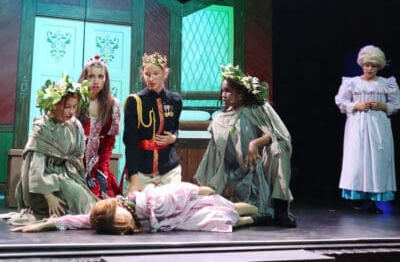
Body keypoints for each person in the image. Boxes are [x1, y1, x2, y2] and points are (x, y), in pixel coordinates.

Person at [193, 64, 296, 228]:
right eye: (222, 91)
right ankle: (257, 213)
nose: (223, 95)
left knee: (278, 148)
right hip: (240, 168)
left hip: (263, 162)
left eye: (228, 91)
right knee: (251, 211)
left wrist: (255, 144)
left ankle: (281, 207)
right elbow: (215, 154)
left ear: (240, 93)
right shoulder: (221, 119)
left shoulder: (257, 109)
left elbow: (278, 134)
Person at [11, 182, 259, 234]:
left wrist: (198, 191)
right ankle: (250, 221)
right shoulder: (103, 218)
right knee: (218, 221)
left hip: (184, 204)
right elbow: (77, 220)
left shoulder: (150, 200)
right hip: (178, 221)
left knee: (228, 207)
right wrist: (45, 223)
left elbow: (176, 191)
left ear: (118, 205)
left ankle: (260, 212)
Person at [13, 75, 99, 223]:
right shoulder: (43, 127)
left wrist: (74, 175)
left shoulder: (74, 125)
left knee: (82, 195)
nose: (71, 111)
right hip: (44, 184)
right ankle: (95, 218)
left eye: (74, 107)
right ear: (56, 105)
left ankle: (101, 217)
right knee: (77, 195)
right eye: (67, 107)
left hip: (67, 175)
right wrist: (48, 195)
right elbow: (35, 167)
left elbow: (77, 156)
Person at [335, 45, 400, 214]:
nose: (370, 68)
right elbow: (341, 102)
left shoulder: (387, 84)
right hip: (357, 125)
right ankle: (356, 198)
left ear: (379, 66)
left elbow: (396, 104)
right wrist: (356, 105)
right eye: (367, 64)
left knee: (377, 161)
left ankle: (373, 200)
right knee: (357, 159)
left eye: (374, 65)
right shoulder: (352, 83)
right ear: (362, 64)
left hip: (379, 126)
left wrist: (382, 105)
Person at [123, 52, 182, 197]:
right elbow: (130, 143)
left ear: (165, 73)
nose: (151, 78)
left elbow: (175, 129)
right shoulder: (135, 101)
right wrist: (134, 179)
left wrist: (173, 138)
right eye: (147, 73)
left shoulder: (175, 100)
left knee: (174, 205)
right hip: (142, 168)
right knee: (135, 207)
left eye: (156, 73)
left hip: (168, 168)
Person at [78, 55, 121, 199]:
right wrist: (82, 172)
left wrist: (101, 172)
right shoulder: (76, 100)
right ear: (85, 78)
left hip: (97, 166)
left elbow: (108, 145)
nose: (95, 81)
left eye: (100, 76)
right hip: (73, 164)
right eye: (91, 76)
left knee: (100, 194)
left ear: (105, 79)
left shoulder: (112, 105)